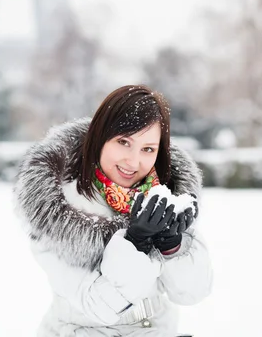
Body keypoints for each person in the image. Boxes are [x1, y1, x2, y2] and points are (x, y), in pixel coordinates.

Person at [14, 85, 213, 336]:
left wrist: (173, 244)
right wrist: (135, 243)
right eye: (123, 142)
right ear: (99, 138)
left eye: (148, 149)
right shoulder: (57, 207)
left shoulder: (167, 196)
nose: (133, 161)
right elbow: (98, 306)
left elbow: (191, 293)